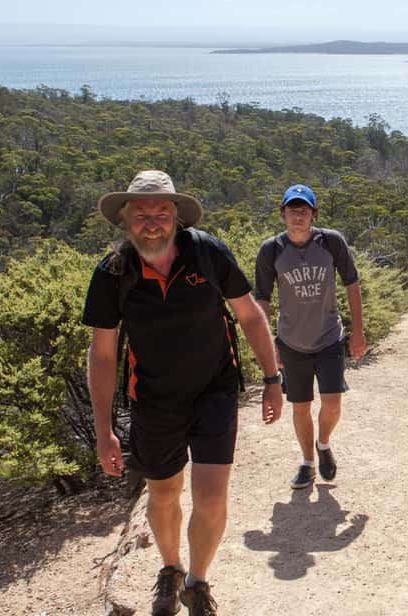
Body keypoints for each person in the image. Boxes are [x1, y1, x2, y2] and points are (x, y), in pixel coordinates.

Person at [83, 170, 284, 616]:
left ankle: (197, 580)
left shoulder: (207, 253)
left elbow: (250, 316)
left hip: (214, 389)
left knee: (212, 495)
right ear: (125, 221)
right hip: (152, 399)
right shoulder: (113, 273)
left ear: (176, 218)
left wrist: (272, 380)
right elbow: (102, 354)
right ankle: (170, 568)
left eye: (161, 212)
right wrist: (103, 430)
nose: (151, 222)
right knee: (164, 493)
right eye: (141, 214)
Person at [255, 184, 368, 490]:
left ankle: (323, 442)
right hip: (291, 342)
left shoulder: (331, 242)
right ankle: (307, 462)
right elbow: (261, 300)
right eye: (292, 210)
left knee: (332, 404)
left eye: (303, 210)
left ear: (313, 214)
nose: (298, 216)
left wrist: (358, 331)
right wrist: (269, 346)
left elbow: (352, 284)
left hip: (329, 337)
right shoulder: (271, 250)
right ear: (282, 214)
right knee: (300, 406)